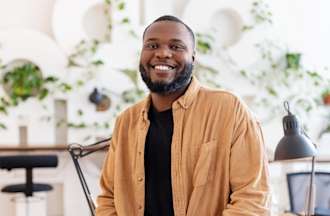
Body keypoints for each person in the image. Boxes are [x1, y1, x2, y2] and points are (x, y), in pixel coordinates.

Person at [96, 15, 270, 216]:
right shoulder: (126, 122)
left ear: (193, 58)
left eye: (176, 46)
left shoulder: (229, 110)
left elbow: (253, 199)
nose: (162, 53)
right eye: (152, 46)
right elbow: (108, 197)